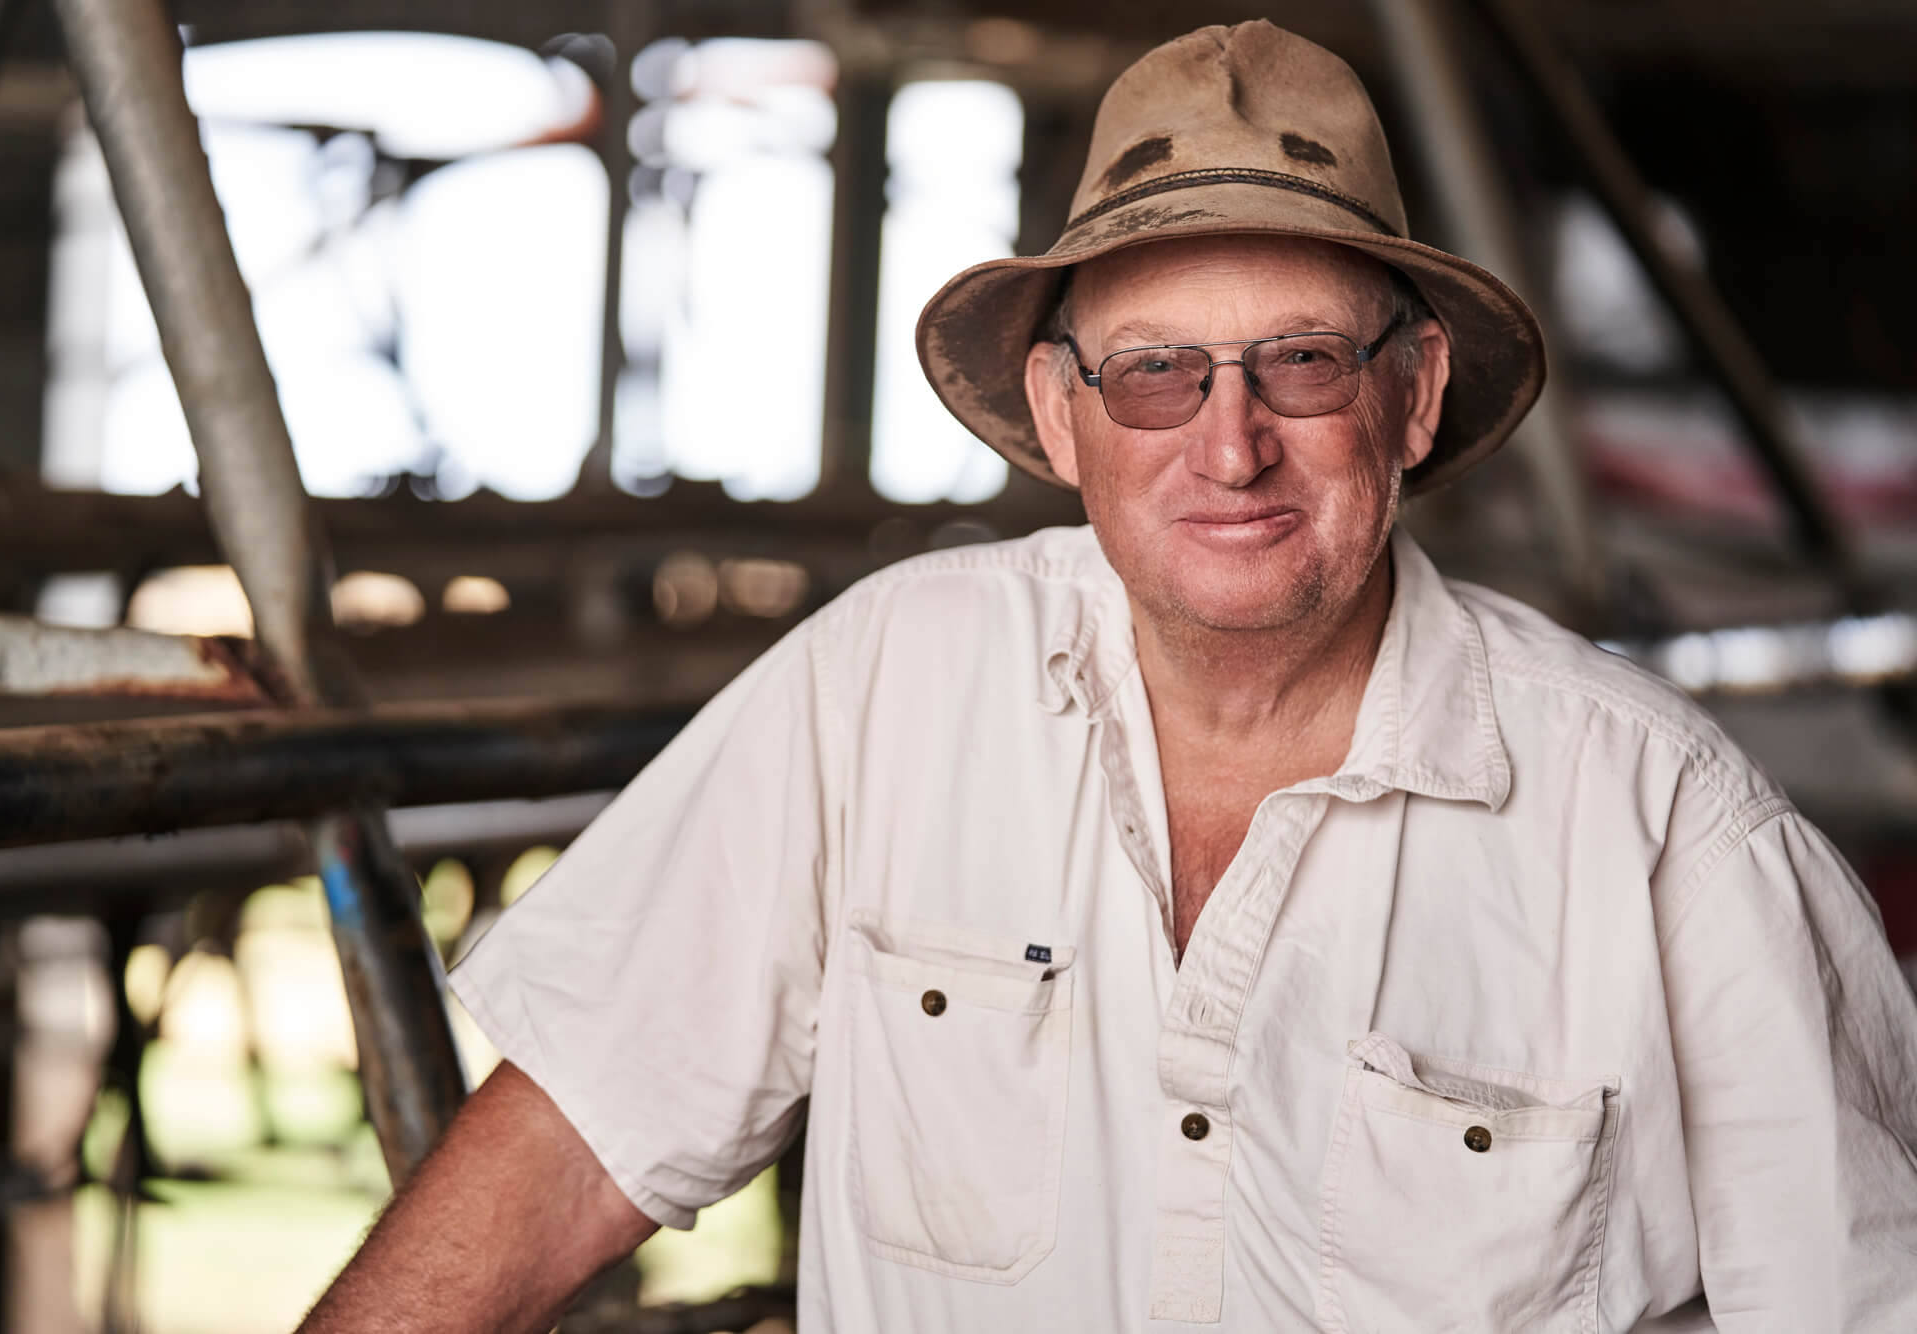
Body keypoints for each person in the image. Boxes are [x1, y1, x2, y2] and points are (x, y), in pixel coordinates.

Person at [300, 21, 1917, 1333]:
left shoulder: (1665, 827)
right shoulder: (885, 686)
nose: (1229, 444)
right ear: (1062, 418)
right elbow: (572, 1129)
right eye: (1154, 372)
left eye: (1302, 358)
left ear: (1414, 399)